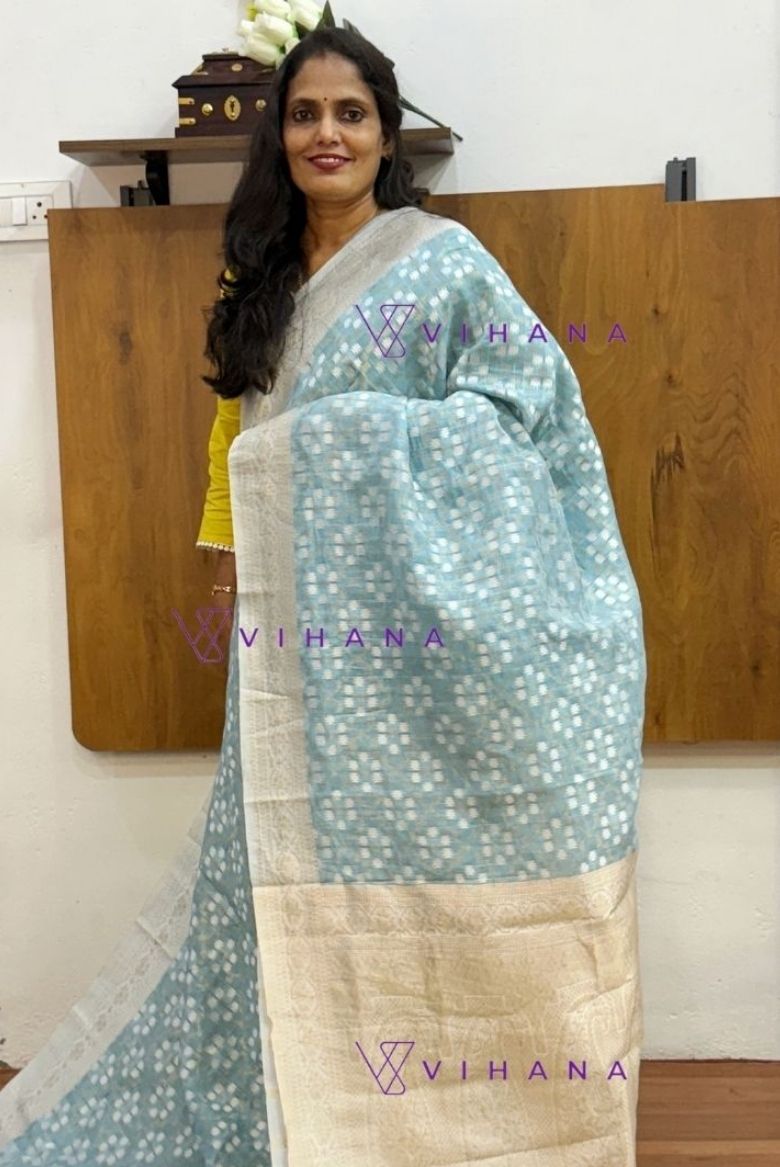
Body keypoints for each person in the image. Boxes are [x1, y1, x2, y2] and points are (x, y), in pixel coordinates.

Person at [0, 24, 647, 1166]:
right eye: (305, 115)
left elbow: (520, 416)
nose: (327, 134)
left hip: (428, 653)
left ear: (387, 135)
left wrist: (337, 442)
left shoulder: (444, 264)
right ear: (280, 137)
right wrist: (229, 552)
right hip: (298, 635)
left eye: (351, 113)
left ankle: (437, 1119)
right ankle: (276, 1111)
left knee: (427, 870)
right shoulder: (265, 278)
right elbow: (237, 438)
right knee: (267, 862)